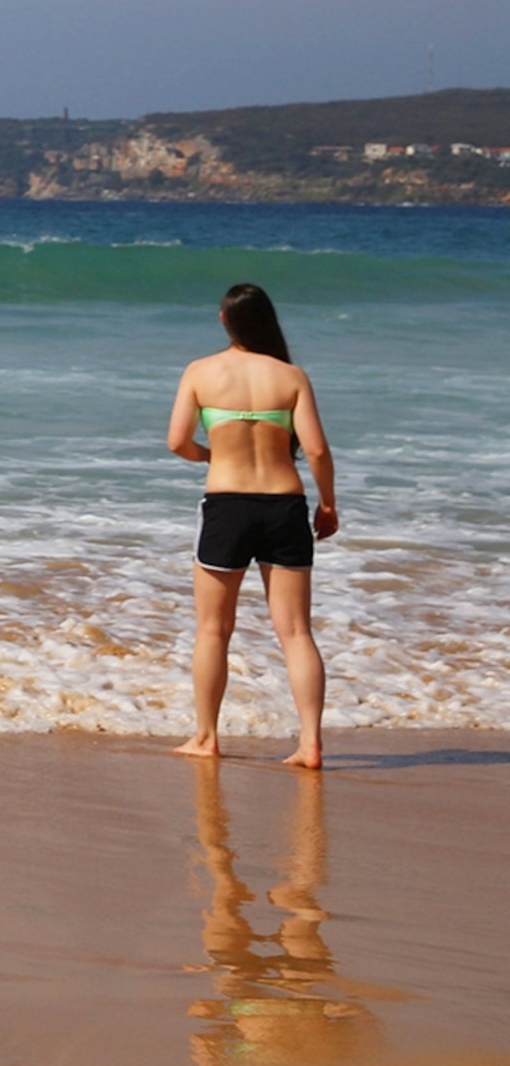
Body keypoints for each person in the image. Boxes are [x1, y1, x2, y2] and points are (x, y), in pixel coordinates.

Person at [167, 283, 339, 768]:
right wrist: (328, 505)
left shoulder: (201, 371)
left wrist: (212, 456)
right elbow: (317, 450)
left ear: (224, 319)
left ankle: (206, 738)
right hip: (285, 506)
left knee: (213, 630)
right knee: (297, 632)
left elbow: (177, 442)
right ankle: (310, 743)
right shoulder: (291, 376)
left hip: (228, 506)